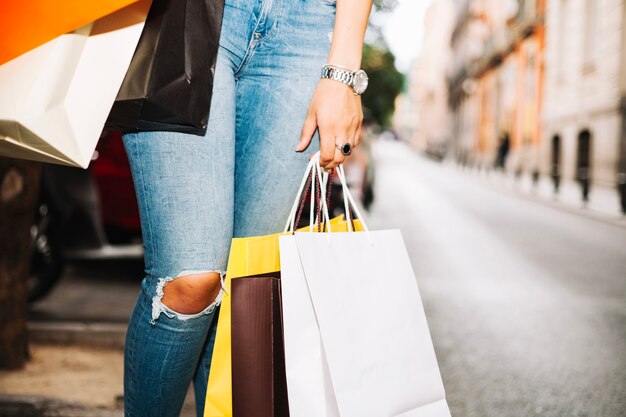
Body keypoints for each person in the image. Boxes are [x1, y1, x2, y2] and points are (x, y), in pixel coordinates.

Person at [121, 0, 373, 416]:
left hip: (305, 29)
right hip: (183, 14)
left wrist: (343, 74)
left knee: (248, 291)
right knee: (191, 279)